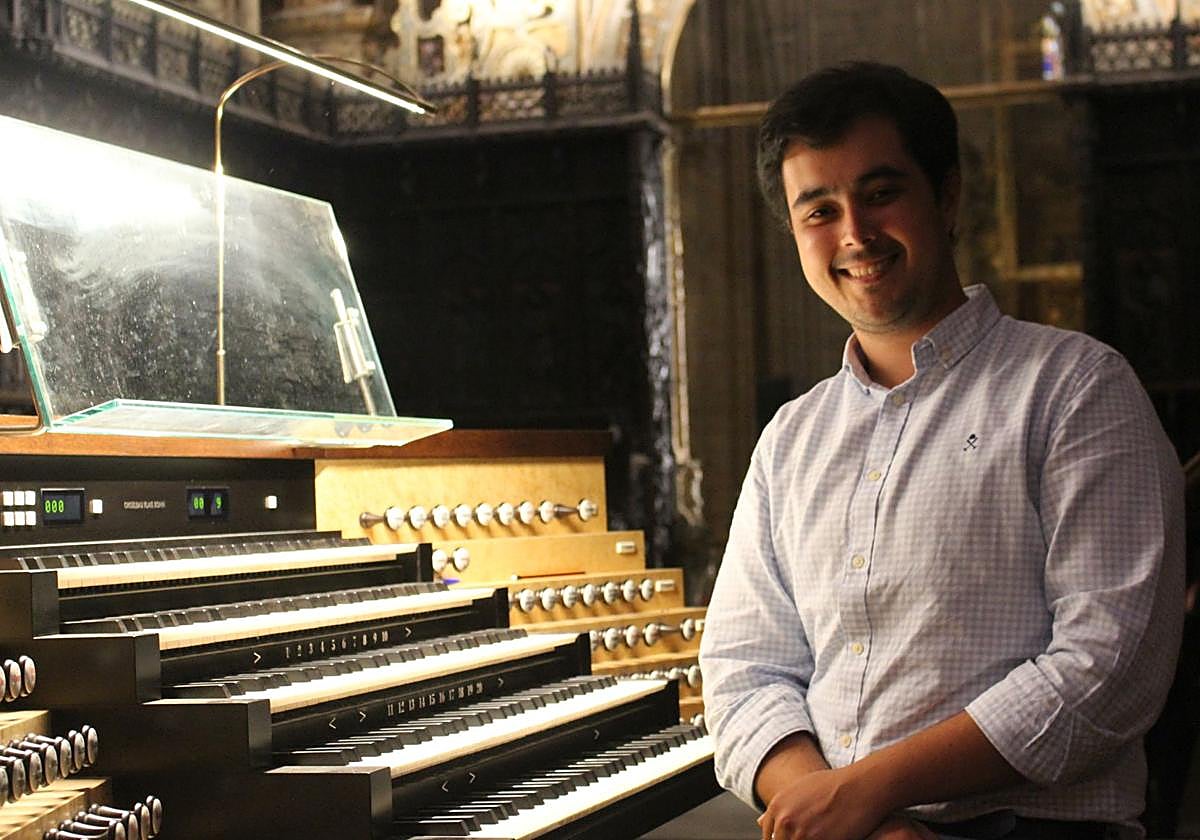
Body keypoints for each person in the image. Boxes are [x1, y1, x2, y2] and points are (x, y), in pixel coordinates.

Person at [698, 61, 1185, 840]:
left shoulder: (1077, 390)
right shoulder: (790, 439)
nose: (854, 233)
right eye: (819, 209)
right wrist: (840, 810)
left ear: (948, 196)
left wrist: (867, 794)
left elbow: (1109, 668)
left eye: (881, 193)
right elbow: (741, 669)